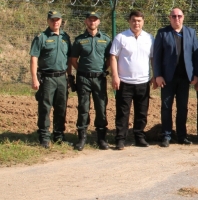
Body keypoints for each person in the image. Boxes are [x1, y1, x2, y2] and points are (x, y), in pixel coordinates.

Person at [153, 8, 198, 147]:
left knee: (183, 107)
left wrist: (196, 74)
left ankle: (182, 136)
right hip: (167, 78)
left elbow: (196, 55)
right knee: (166, 107)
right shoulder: (163, 33)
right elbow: (157, 56)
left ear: (183, 17)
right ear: (170, 18)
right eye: (174, 16)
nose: (176, 18)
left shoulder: (191, 33)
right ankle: (167, 135)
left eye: (179, 16)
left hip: (185, 78)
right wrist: (158, 75)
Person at [109, 10, 154, 150]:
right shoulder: (121, 37)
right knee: (123, 112)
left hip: (143, 82)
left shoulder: (149, 38)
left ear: (143, 22)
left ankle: (139, 137)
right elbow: (112, 57)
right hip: (125, 82)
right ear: (129, 21)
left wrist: (155, 75)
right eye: (134, 20)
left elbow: (153, 58)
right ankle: (120, 139)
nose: (137, 23)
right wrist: (115, 76)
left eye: (139, 20)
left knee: (142, 112)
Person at [69, 11, 112, 150]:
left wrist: (102, 70)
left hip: (99, 78)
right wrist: (82, 70)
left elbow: (110, 59)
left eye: (95, 20)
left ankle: (101, 139)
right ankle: (81, 138)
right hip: (84, 79)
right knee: (83, 108)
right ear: (86, 22)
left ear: (98, 22)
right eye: (90, 20)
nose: (92, 22)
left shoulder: (105, 39)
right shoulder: (79, 40)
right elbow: (73, 60)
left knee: (101, 108)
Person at [30, 10, 72, 148]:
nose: (56, 22)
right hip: (47, 78)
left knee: (61, 108)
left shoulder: (66, 37)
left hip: (62, 78)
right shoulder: (41, 37)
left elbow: (69, 59)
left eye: (58, 19)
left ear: (61, 20)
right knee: (45, 108)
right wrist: (35, 79)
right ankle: (44, 137)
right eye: (53, 20)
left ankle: (59, 136)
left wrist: (69, 77)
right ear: (48, 21)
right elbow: (34, 58)